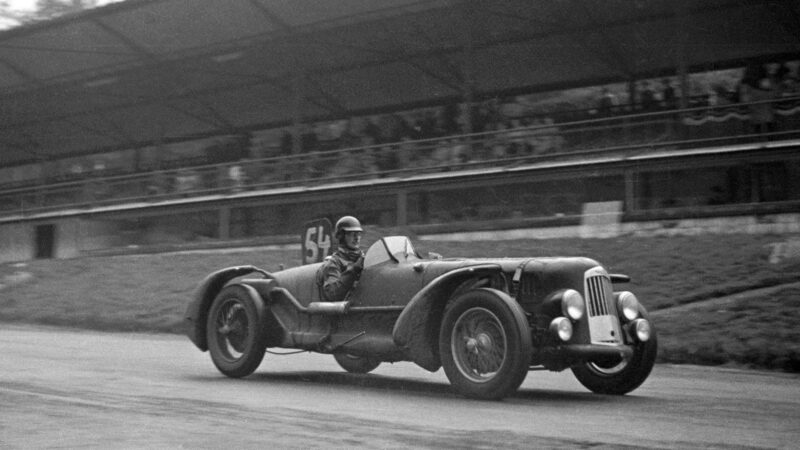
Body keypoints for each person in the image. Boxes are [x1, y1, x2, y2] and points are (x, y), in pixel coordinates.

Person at [319, 216, 365, 302]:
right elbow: (332, 294)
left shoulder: (363, 259)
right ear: (342, 236)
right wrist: (353, 271)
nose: (357, 238)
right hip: (347, 311)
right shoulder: (334, 263)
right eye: (352, 234)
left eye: (358, 234)